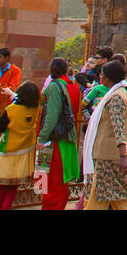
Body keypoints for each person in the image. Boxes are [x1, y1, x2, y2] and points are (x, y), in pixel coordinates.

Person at [82, 60, 127, 209]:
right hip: (107, 153)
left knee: (120, 198)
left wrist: (122, 157)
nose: (100, 76)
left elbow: (118, 127)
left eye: (103, 73)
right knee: (99, 196)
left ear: (110, 77)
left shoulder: (116, 97)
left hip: (110, 154)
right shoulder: (120, 93)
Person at [38, 57, 83, 210]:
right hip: (66, 138)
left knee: (49, 179)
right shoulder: (74, 87)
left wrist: (42, 137)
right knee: (59, 180)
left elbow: (51, 115)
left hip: (53, 140)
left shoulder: (54, 86)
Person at [0, 81, 40, 209]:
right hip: (23, 152)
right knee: (12, 188)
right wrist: (11, 94)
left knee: (0, 186)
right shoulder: (35, 109)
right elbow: (22, 102)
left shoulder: (11, 110)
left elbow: (0, 127)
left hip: (6, 151)